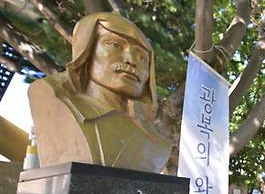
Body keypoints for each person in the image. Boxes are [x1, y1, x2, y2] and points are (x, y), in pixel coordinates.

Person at [27, 12, 171, 173]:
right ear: (86, 49)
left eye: (142, 57)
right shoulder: (53, 99)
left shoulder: (156, 141)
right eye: (115, 45)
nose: (131, 60)